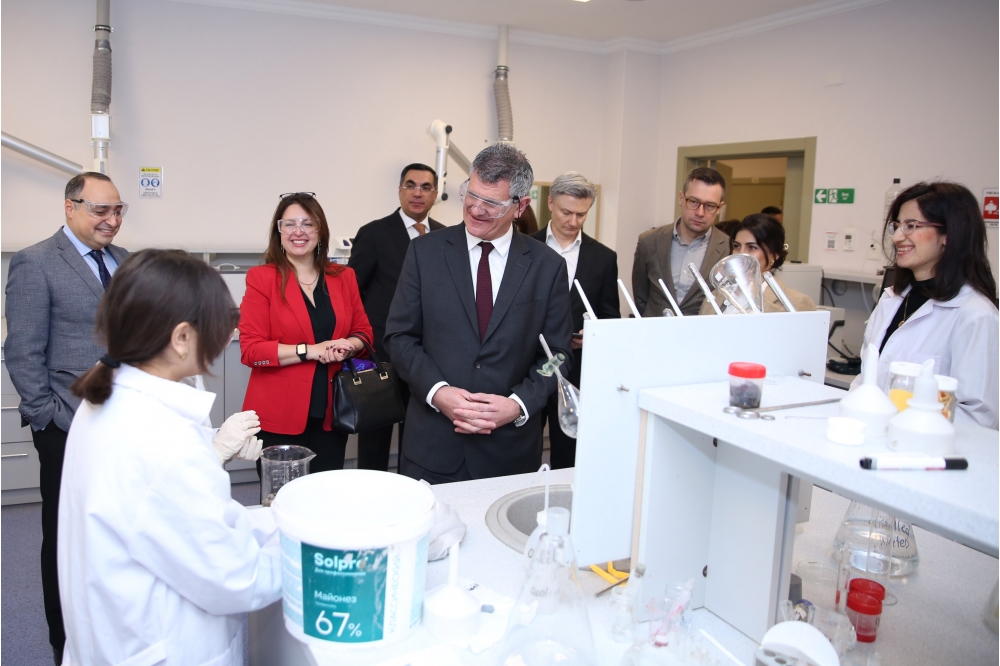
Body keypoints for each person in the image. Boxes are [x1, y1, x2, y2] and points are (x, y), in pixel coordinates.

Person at [59, 249, 281, 666]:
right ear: (181, 338)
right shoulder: (163, 440)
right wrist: (313, 550)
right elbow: (239, 579)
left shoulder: (105, 399)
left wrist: (272, 520)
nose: (226, 336)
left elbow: (172, 520)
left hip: (115, 636)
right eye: (219, 325)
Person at [384, 143, 574, 483]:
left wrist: (518, 404)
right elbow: (399, 338)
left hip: (509, 452)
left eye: (492, 203)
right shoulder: (424, 253)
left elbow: (558, 355)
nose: (475, 209)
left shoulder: (547, 267)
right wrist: (437, 391)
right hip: (433, 446)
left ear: (520, 206)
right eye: (471, 194)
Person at [3, 172, 129, 664]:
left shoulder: (126, 261)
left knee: (117, 531)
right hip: (67, 423)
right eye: (101, 210)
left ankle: (111, 632)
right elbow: (22, 350)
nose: (111, 220)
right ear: (70, 207)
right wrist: (46, 417)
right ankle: (66, 644)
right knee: (65, 538)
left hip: (124, 423)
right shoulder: (35, 262)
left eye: (118, 210)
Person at [240, 192, 374, 472]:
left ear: (320, 230)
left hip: (332, 414)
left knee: (325, 493)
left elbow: (363, 333)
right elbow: (252, 352)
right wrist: (310, 351)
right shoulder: (262, 278)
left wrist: (347, 346)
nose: (298, 231)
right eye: (289, 224)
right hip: (278, 416)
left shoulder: (343, 277)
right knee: (280, 494)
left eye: (307, 223)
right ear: (279, 232)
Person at [852, 182, 998, 429]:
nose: (897, 237)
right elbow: (865, 380)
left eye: (911, 226)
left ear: (948, 235)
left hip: (924, 446)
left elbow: (979, 419)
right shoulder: (891, 300)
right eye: (897, 226)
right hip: (869, 436)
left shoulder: (975, 315)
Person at [349, 164, 444, 471]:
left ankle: (411, 489)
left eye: (426, 187)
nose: (418, 192)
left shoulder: (447, 236)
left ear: (435, 194)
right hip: (381, 353)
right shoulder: (374, 233)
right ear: (400, 190)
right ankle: (371, 492)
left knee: (421, 431)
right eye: (410, 185)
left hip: (430, 353)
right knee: (375, 436)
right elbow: (352, 294)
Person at [531, 172, 619, 469]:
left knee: (568, 451)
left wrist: (590, 334)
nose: (573, 221)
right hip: (528, 365)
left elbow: (610, 317)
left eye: (581, 214)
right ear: (550, 204)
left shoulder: (604, 258)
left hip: (575, 367)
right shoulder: (523, 247)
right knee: (523, 446)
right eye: (566, 212)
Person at [632, 167, 731, 317]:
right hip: (656, 328)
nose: (700, 212)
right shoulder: (649, 241)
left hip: (703, 329)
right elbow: (641, 296)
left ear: (719, 208)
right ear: (681, 198)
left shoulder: (728, 248)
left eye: (710, 206)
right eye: (694, 202)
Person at [699, 214, 816, 314]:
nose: (741, 254)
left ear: (774, 255)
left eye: (752, 247)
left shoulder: (797, 303)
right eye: (737, 246)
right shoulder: (715, 297)